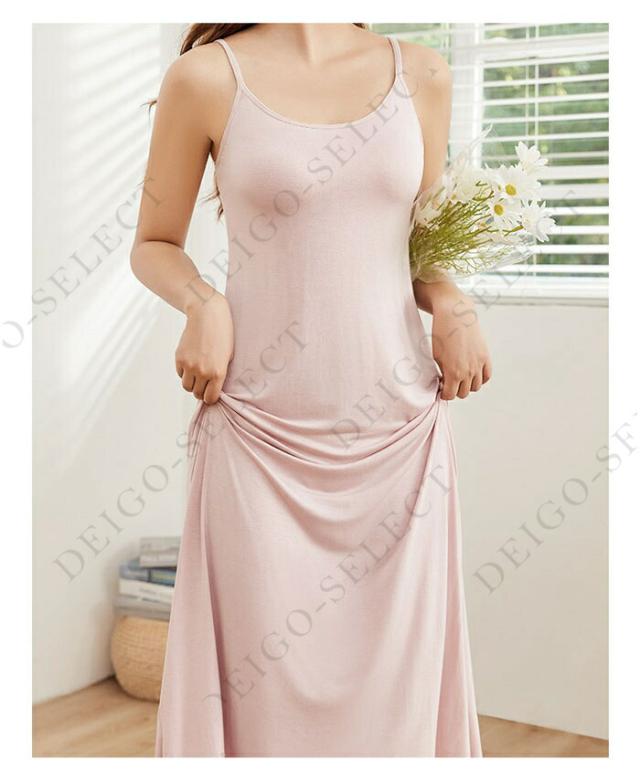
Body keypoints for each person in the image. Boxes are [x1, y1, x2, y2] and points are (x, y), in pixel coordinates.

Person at [131, 22, 489, 758]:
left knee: (399, 698)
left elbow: (421, 248)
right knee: (257, 695)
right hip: (258, 439)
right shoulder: (205, 77)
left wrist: (453, 303)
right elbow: (154, 242)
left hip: (398, 440)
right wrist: (204, 303)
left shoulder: (422, 73)